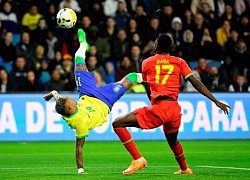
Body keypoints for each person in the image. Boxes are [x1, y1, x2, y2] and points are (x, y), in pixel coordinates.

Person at [112, 33, 230, 175]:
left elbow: (148, 86)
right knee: (172, 140)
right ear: (170, 47)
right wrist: (216, 101)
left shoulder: (147, 62)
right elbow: (196, 83)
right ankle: (185, 168)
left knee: (117, 123)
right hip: (174, 109)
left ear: (156, 46)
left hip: (160, 108)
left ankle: (138, 159)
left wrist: (153, 103)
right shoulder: (179, 62)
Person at [43, 29, 142, 174]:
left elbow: (60, 101)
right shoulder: (80, 123)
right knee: (131, 77)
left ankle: (83, 44)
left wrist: (53, 94)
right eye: (69, 99)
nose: (70, 97)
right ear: (71, 107)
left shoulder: (65, 108)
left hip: (87, 94)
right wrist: (80, 170)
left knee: (77, 57)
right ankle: (154, 77)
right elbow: (78, 148)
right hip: (105, 101)